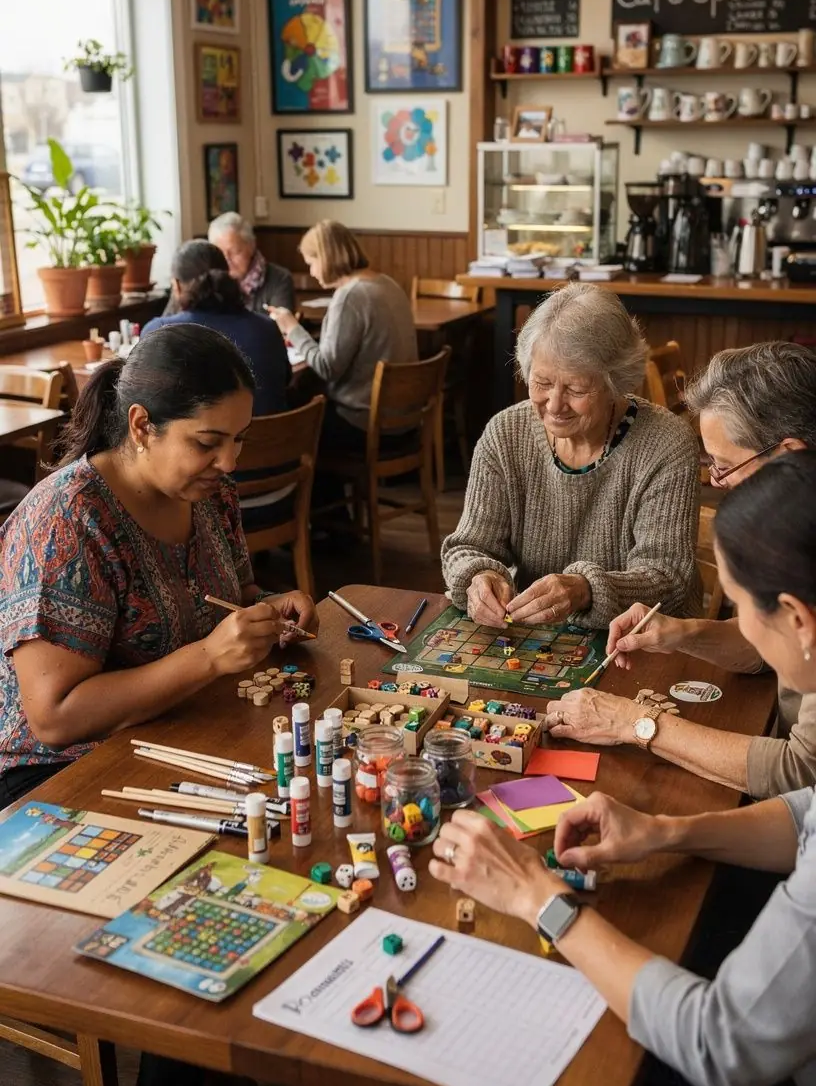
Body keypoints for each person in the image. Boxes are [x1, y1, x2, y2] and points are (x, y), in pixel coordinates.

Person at [430, 453, 816, 1086]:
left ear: (796, 618)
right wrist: (667, 830)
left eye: (738, 609)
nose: (741, 632)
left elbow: (718, 1045)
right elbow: (807, 815)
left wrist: (540, 899)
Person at [0, 323, 316, 1086]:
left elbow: (230, 597)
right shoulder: (68, 519)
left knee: (287, 820)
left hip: (163, 730)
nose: (230, 463)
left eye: (239, 441)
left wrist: (269, 611)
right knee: (212, 861)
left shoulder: (207, 496)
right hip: (45, 771)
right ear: (140, 426)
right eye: (209, 442)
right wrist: (209, 658)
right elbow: (52, 715)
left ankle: (215, 1059)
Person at [546, 342, 816, 798]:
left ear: (789, 453)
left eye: (725, 466)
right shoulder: (794, 521)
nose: (716, 482)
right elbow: (772, 643)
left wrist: (634, 722)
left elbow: (801, 770)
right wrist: (681, 634)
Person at [441, 283, 701, 630]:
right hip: (536, 638)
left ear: (615, 382)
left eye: (576, 389)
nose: (554, 405)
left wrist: (586, 590)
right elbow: (467, 546)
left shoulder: (665, 443)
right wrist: (478, 576)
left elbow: (668, 578)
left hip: (642, 639)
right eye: (542, 383)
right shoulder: (505, 434)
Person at [266, 220, 417, 453]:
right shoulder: (388, 284)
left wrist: (292, 327)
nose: (311, 272)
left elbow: (327, 368)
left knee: (287, 422)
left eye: (311, 263)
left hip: (364, 425)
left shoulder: (350, 296)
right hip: (405, 420)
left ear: (326, 258)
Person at [144, 239, 291, 416]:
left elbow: (148, 400)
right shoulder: (267, 327)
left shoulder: (158, 332)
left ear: (176, 286)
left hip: (205, 434)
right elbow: (285, 380)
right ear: (227, 276)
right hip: (276, 433)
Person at [208, 210, 294, 314]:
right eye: (220, 253)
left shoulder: (280, 279)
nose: (227, 259)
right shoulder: (208, 281)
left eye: (235, 251)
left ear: (251, 246)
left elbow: (280, 323)